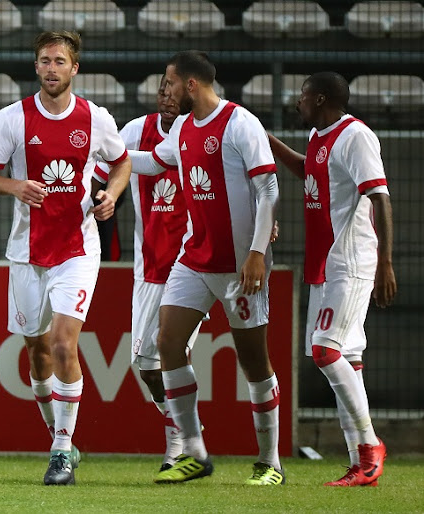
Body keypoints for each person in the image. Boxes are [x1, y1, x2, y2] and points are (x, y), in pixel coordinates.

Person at [0, 31, 131, 485]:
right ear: (36, 66)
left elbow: (121, 163)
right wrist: (14, 186)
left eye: (60, 61)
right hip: (25, 252)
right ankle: (61, 436)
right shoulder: (12, 119)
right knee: (37, 354)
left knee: (64, 344)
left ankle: (61, 452)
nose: (51, 69)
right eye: (44, 61)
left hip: (78, 250)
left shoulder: (95, 119)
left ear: (74, 68)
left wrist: (112, 196)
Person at [128, 50, 284, 485]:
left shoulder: (240, 124)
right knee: (167, 343)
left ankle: (270, 462)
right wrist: (105, 157)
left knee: (255, 364)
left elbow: (268, 190)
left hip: (239, 266)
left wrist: (256, 253)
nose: (166, 90)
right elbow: (154, 162)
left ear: (190, 85)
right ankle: (194, 452)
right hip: (193, 259)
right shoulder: (180, 129)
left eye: (170, 82)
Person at [268, 72, 394, 487]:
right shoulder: (318, 137)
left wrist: (386, 264)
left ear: (320, 98)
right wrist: (269, 143)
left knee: (325, 352)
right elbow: (310, 171)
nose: (297, 102)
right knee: (348, 362)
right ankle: (361, 463)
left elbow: (380, 196)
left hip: (352, 261)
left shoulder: (356, 136)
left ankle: (370, 447)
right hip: (324, 263)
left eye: (302, 96)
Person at [93, 75, 202, 479]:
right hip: (149, 266)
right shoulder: (135, 130)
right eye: (161, 91)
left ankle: (182, 446)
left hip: (194, 265)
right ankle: (184, 428)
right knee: (145, 363)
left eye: (173, 91)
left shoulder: (203, 133)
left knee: (171, 351)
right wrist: (96, 195)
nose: (166, 98)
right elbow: (104, 172)